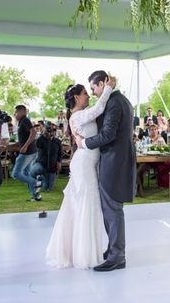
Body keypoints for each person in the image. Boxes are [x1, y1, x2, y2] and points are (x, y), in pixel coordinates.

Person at [46, 76, 113, 269]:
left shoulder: (80, 114)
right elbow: (100, 107)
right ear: (76, 97)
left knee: (84, 205)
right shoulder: (77, 116)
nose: (89, 96)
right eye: (85, 93)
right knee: (87, 204)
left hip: (88, 163)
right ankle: (84, 254)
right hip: (84, 164)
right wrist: (108, 88)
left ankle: (79, 250)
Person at [72, 70, 135, 272]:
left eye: (93, 88)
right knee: (110, 208)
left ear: (102, 84)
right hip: (113, 160)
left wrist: (84, 143)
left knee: (113, 209)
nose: (93, 93)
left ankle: (117, 256)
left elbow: (108, 134)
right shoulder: (118, 100)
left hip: (114, 162)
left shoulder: (115, 102)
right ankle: (113, 250)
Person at [11, 105, 40, 201]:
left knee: (16, 174)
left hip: (27, 152)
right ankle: (36, 196)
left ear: (22, 112)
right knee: (26, 174)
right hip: (31, 152)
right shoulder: (21, 122)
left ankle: (36, 182)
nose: (15, 115)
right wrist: (16, 144)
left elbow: (33, 133)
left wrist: (25, 146)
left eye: (16, 112)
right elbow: (25, 136)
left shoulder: (25, 120)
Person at [32, 123, 62, 192]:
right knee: (35, 170)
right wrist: (45, 137)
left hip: (52, 166)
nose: (50, 132)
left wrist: (59, 162)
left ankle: (42, 180)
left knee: (49, 189)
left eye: (52, 130)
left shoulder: (57, 141)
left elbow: (60, 153)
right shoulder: (40, 140)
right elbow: (36, 148)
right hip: (41, 164)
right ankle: (38, 178)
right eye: (47, 130)